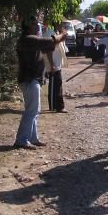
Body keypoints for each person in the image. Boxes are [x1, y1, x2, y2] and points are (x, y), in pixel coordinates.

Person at [15, 17, 67, 149]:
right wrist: (63, 35)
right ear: (28, 27)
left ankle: (32, 138)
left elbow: (47, 46)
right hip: (29, 79)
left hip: (33, 79)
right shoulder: (28, 39)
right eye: (34, 24)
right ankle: (22, 140)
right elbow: (52, 41)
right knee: (31, 111)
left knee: (35, 110)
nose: (38, 26)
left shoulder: (30, 39)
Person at [43, 23, 68, 112]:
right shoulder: (49, 33)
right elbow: (48, 49)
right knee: (54, 85)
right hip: (52, 64)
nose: (62, 26)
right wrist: (52, 64)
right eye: (61, 24)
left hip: (56, 64)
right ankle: (54, 106)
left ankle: (59, 106)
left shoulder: (56, 32)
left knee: (58, 84)